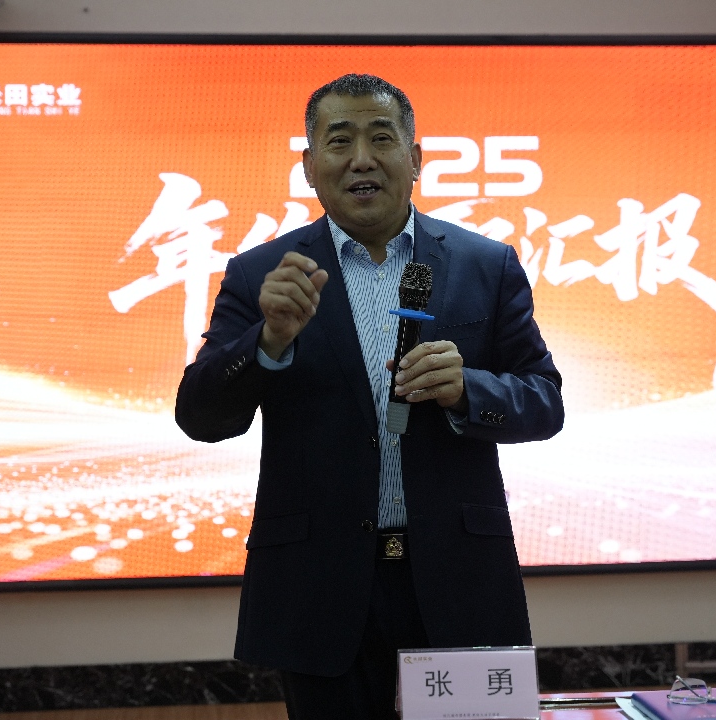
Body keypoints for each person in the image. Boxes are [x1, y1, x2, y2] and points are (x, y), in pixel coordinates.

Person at [175, 74, 564, 719]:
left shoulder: (485, 264)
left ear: (415, 158)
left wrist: (468, 389)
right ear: (309, 167)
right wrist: (268, 341)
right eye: (339, 141)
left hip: (459, 580)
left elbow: (544, 400)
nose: (362, 158)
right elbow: (201, 416)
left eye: (381, 138)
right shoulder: (263, 275)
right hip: (318, 587)